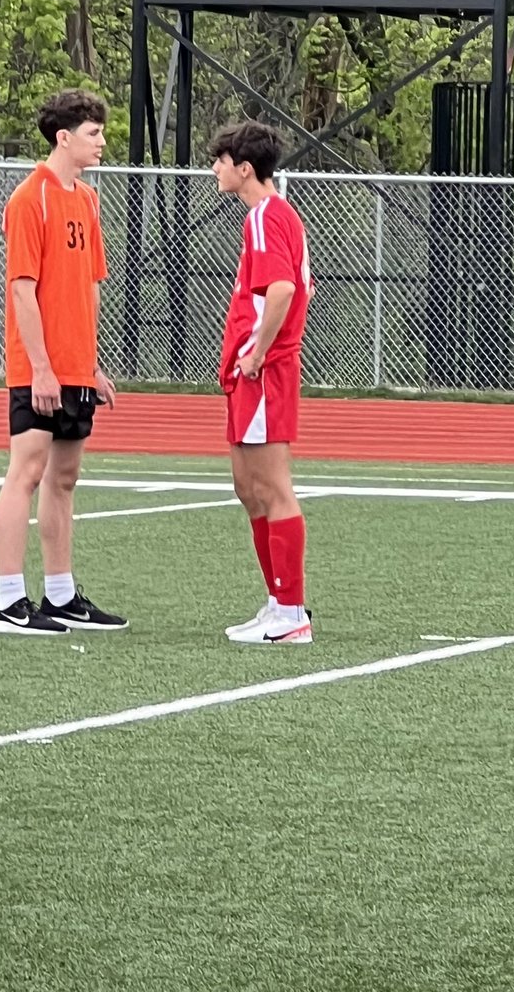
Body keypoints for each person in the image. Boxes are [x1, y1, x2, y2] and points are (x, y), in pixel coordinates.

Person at [0, 89, 129, 636]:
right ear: (63, 137)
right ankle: (7, 600)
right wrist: (41, 367)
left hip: (74, 368)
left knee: (64, 479)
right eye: (94, 133)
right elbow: (23, 290)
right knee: (26, 472)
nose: (102, 142)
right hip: (36, 367)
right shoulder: (29, 199)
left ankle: (61, 595)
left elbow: (91, 286)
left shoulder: (87, 202)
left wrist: (87, 364)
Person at [211, 121, 314, 644]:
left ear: (243, 168)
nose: (215, 169)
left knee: (271, 487)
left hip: (264, 373)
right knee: (247, 488)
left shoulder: (266, 217)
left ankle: (292, 612)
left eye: (221, 160)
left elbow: (283, 289)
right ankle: (278, 600)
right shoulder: (274, 217)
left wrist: (256, 353)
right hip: (254, 373)